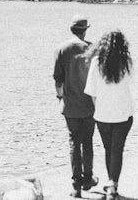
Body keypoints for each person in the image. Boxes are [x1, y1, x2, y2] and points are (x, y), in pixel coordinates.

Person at [53, 14, 99, 198]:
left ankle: (76, 186)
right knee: (87, 142)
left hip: (70, 105)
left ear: (71, 29)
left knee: (74, 142)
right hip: (89, 104)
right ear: (85, 30)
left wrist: (59, 96)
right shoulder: (93, 48)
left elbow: (58, 79)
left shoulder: (62, 49)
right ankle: (88, 178)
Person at [84, 29, 134, 200]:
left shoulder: (97, 62)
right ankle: (113, 184)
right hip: (123, 113)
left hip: (102, 114)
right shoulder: (127, 62)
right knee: (117, 150)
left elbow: (91, 91)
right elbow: (131, 80)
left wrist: (98, 108)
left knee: (108, 149)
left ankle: (111, 183)